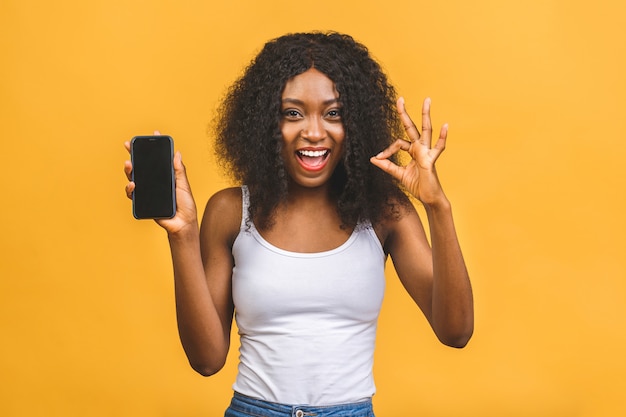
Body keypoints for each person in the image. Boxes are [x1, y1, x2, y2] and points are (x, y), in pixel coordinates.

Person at [124, 31, 473, 417]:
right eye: (293, 113)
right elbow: (207, 360)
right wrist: (183, 235)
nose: (313, 132)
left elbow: (455, 332)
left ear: (355, 123)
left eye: (333, 113)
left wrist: (437, 205)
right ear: (265, 124)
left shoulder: (384, 213)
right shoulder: (229, 211)